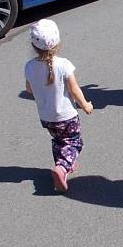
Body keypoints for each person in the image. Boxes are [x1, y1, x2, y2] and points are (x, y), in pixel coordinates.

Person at [24, 19, 93, 193]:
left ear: (34, 46)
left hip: (46, 117)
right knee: (74, 143)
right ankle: (62, 168)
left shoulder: (30, 66)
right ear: (58, 43)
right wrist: (85, 105)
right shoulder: (63, 65)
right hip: (66, 116)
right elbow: (74, 89)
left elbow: (29, 89)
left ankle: (63, 165)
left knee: (59, 141)